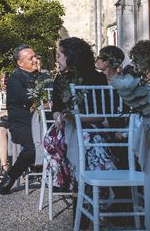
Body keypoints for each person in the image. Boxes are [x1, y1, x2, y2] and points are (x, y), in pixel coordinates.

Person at [47, 37, 110, 191]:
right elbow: (55, 110)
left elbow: (102, 114)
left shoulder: (97, 78)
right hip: (64, 129)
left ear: (71, 56)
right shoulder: (60, 79)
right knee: (87, 139)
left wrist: (78, 119)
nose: (57, 60)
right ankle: (94, 187)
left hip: (92, 127)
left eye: (60, 55)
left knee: (90, 138)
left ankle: (83, 188)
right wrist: (61, 118)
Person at [0, 45, 39, 194]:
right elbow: (28, 99)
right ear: (20, 63)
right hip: (22, 123)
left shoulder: (41, 76)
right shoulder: (15, 79)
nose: (35, 60)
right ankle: (11, 175)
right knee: (32, 149)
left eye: (35, 57)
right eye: (31, 58)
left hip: (42, 120)